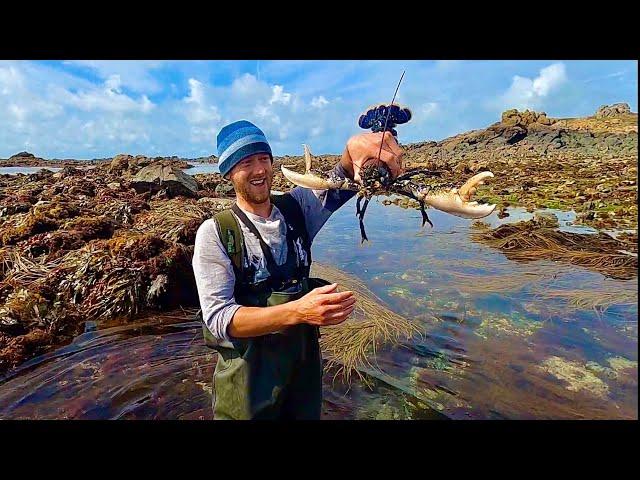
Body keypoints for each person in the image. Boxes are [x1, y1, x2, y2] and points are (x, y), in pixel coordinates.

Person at [192, 120, 404, 420]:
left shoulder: (296, 209)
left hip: (302, 375)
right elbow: (220, 319)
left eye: (263, 158)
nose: (259, 170)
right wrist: (300, 312)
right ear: (228, 173)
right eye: (246, 162)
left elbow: (340, 180)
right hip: (247, 385)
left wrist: (358, 150)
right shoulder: (217, 233)